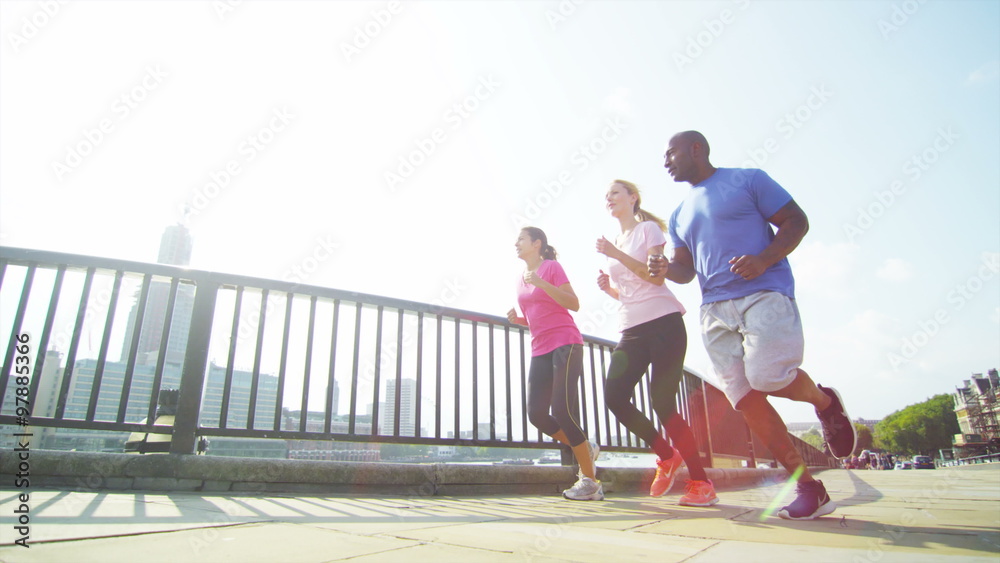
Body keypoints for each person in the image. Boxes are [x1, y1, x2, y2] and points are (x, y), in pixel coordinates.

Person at [649, 130, 856, 520]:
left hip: (763, 293)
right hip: (713, 310)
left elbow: (796, 221)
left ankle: (824, 402)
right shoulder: (678, 214)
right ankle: (809, 489)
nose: (665, 162)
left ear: (696, 149)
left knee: (767, 377)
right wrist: (664, 269)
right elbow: (685, 271)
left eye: (671, 153)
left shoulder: (748, 180)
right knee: (745, 399)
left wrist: (764, 259)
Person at [596, 180, 719, 507]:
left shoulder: (647, 230)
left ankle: (701, 483)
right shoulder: (618, 241)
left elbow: (654, 277)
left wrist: (615, 254)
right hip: (631, 328)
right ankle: (666, 455)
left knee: (662, 402)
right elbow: (632, 291)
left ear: (632, 198)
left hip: (664, 323)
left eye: (615, 193)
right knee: (614, 397)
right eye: (606, 195)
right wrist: (610, 290)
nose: (609, 198)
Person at [507, 226, 602, 501]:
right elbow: (538, 316)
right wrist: (519, 320)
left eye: (521, 239)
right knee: (536, 413)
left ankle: (590, 482)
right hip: (540, 348)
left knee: (562, 410)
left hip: (565, 343)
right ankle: (585, 446)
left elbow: (573, 303)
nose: (516, 243)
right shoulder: (520, 279)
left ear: (536, 243)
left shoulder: (551, 268)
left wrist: (542, 283)